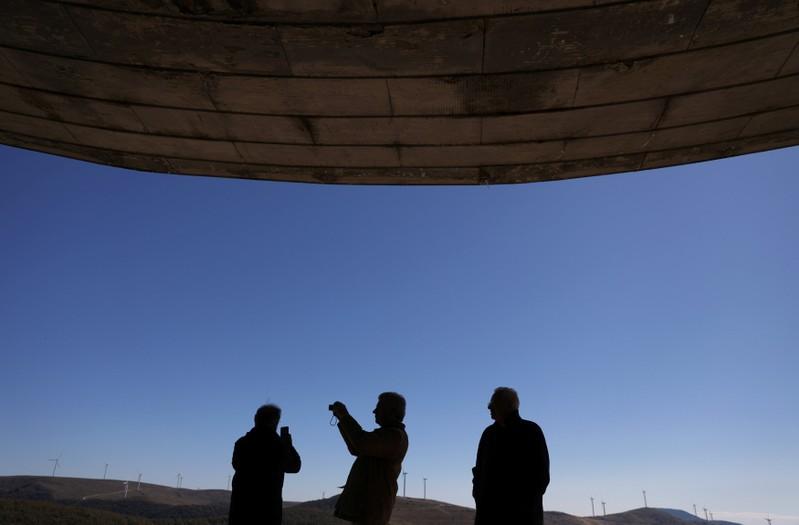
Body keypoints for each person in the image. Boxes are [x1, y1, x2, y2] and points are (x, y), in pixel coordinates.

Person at [472, 387, 550, 525]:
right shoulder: (488, 434)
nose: (489, 407)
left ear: (506, 405)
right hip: (488, 516)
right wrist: (479, 496)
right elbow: (479, 472)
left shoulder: (531, 431)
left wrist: (524, 503)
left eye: (493, 402)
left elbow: (542, 476)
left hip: (523, 517)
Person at [329, 392, 409, 525]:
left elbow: (361, 443)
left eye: (379, 407)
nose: (374, 411)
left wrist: (345, 416)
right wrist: (342, 419)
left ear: (391, 411)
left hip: (372, 509)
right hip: (368, 508)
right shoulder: (387, 435)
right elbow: (356, 448)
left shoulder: (395, 436)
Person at [228, 404, 301, 525]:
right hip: (268, 512)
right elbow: (295, 466)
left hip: (240, 509)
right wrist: (288, 445)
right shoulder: (278, 445)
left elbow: (236, 465)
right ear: (274, 422)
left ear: (255, 418)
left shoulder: (241, 443)